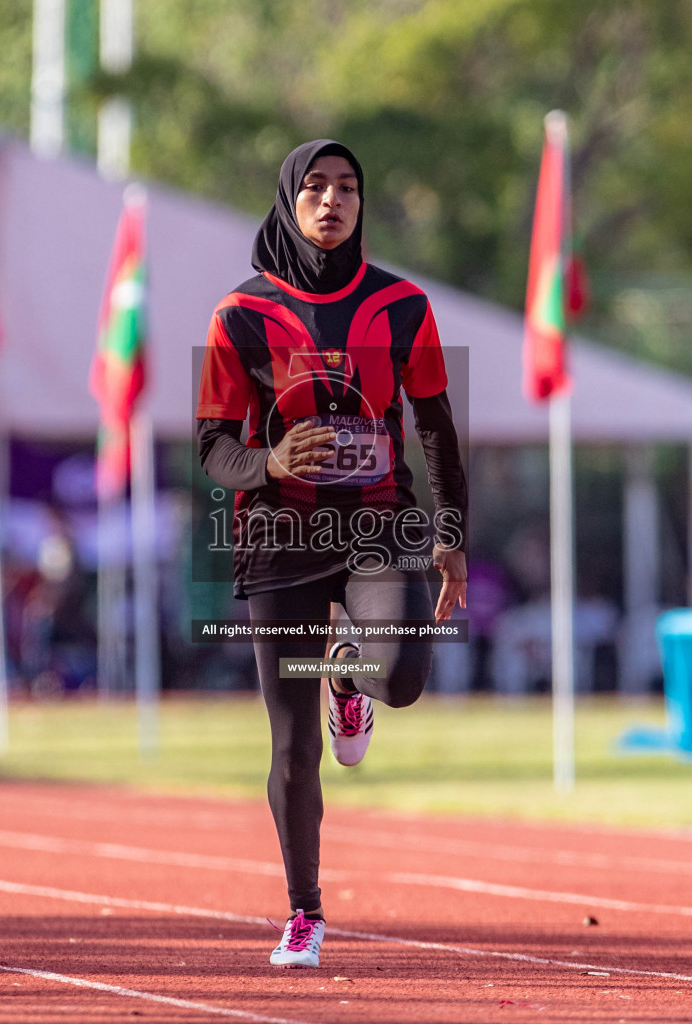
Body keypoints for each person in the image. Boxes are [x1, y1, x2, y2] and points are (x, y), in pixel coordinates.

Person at [196, 140, 467, 968]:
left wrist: (453, 536)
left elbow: (435, 429)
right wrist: (269, 462)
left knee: (407, 677)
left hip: (380, 524)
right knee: (294, 744)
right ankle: (305, 912)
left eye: (347, 187)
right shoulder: (239, 314)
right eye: (315, 186)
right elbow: (211, 446)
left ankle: (347, 675)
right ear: (289, 198)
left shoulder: (402, 305)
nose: (331, 200)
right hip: (278, 536)